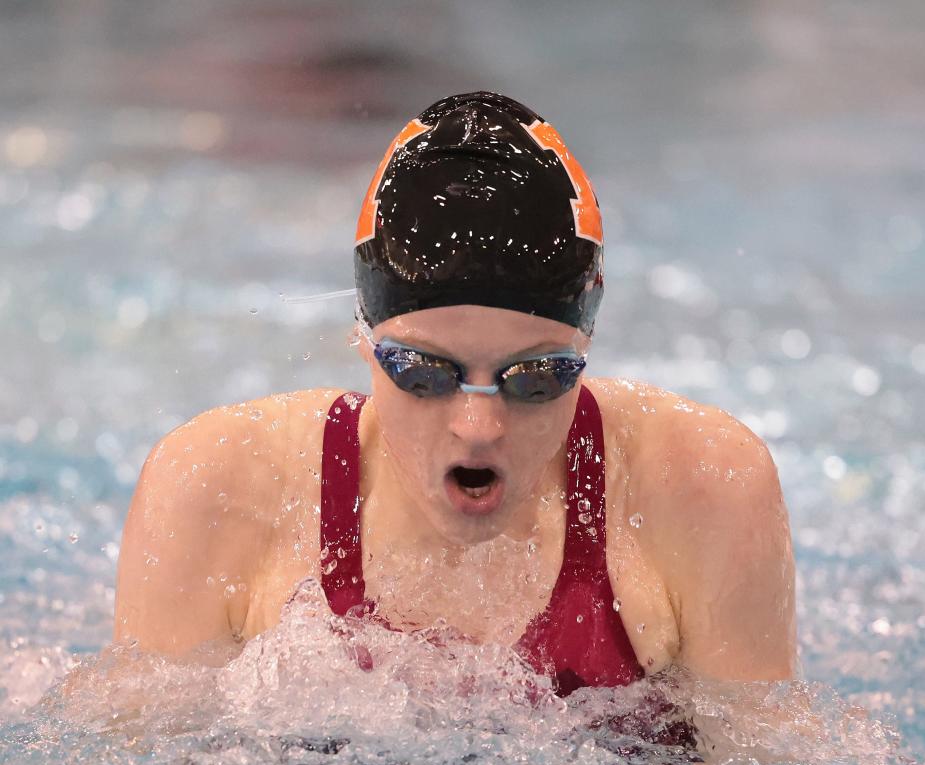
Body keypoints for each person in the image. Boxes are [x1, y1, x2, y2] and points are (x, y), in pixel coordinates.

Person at [114, 90, 795, 708]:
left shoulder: (701, 486)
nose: (477, 426)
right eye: (423, 373)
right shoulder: (216, 486)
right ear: (364, 340)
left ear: (584, 353)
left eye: (535, 378)